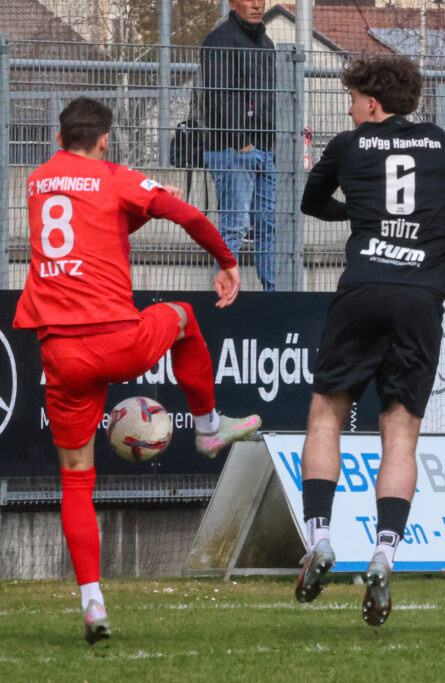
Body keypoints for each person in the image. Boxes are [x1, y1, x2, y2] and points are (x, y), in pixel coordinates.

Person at [13, 97, 262, 644]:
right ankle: (208, 428)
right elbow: (187, 215)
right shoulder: (113, 176)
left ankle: (92, 601)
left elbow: (90, 221)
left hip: (60, 353)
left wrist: (138, 207)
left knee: (75, 478)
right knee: (183, 316)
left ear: (58, 139)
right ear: (105, 140)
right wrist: (226, 260)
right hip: (115, 340)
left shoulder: (36, 181)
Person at [294, 56, 445, 626]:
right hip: (421, 300)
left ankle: (320, 538)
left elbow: (311, 203)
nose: (350, 110)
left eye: (352, 100)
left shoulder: (347, 146)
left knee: (326, 414)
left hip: (363, 289)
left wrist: (361, 214)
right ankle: (384, 552)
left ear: (372, 103)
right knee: (400, 433)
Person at [201, 0, 276, 291]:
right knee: (235, 227)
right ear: (233, 3)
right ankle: (229, 297)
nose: (257, 5)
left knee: (269, 226)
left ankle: (273, 296)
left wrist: (269, 142)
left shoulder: (266, 43)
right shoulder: (219, 40)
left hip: (263, 148)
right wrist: (240, 141)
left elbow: (270, 95)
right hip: (231, 149)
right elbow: (217, 95)